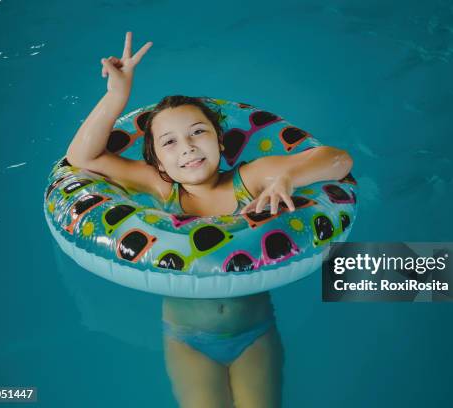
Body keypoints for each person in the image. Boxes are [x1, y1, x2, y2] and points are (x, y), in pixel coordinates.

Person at [65, 32, 354, 408]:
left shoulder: (248, 180)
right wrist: (116, 95)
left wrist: (287, 176)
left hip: (254, 333)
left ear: (220, 142)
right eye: (169, 142)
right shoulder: (161, 187)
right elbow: (81, 157)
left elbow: (339, 160)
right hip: (187, 338)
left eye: (198, 133)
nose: (186, 147)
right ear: (157, 162)